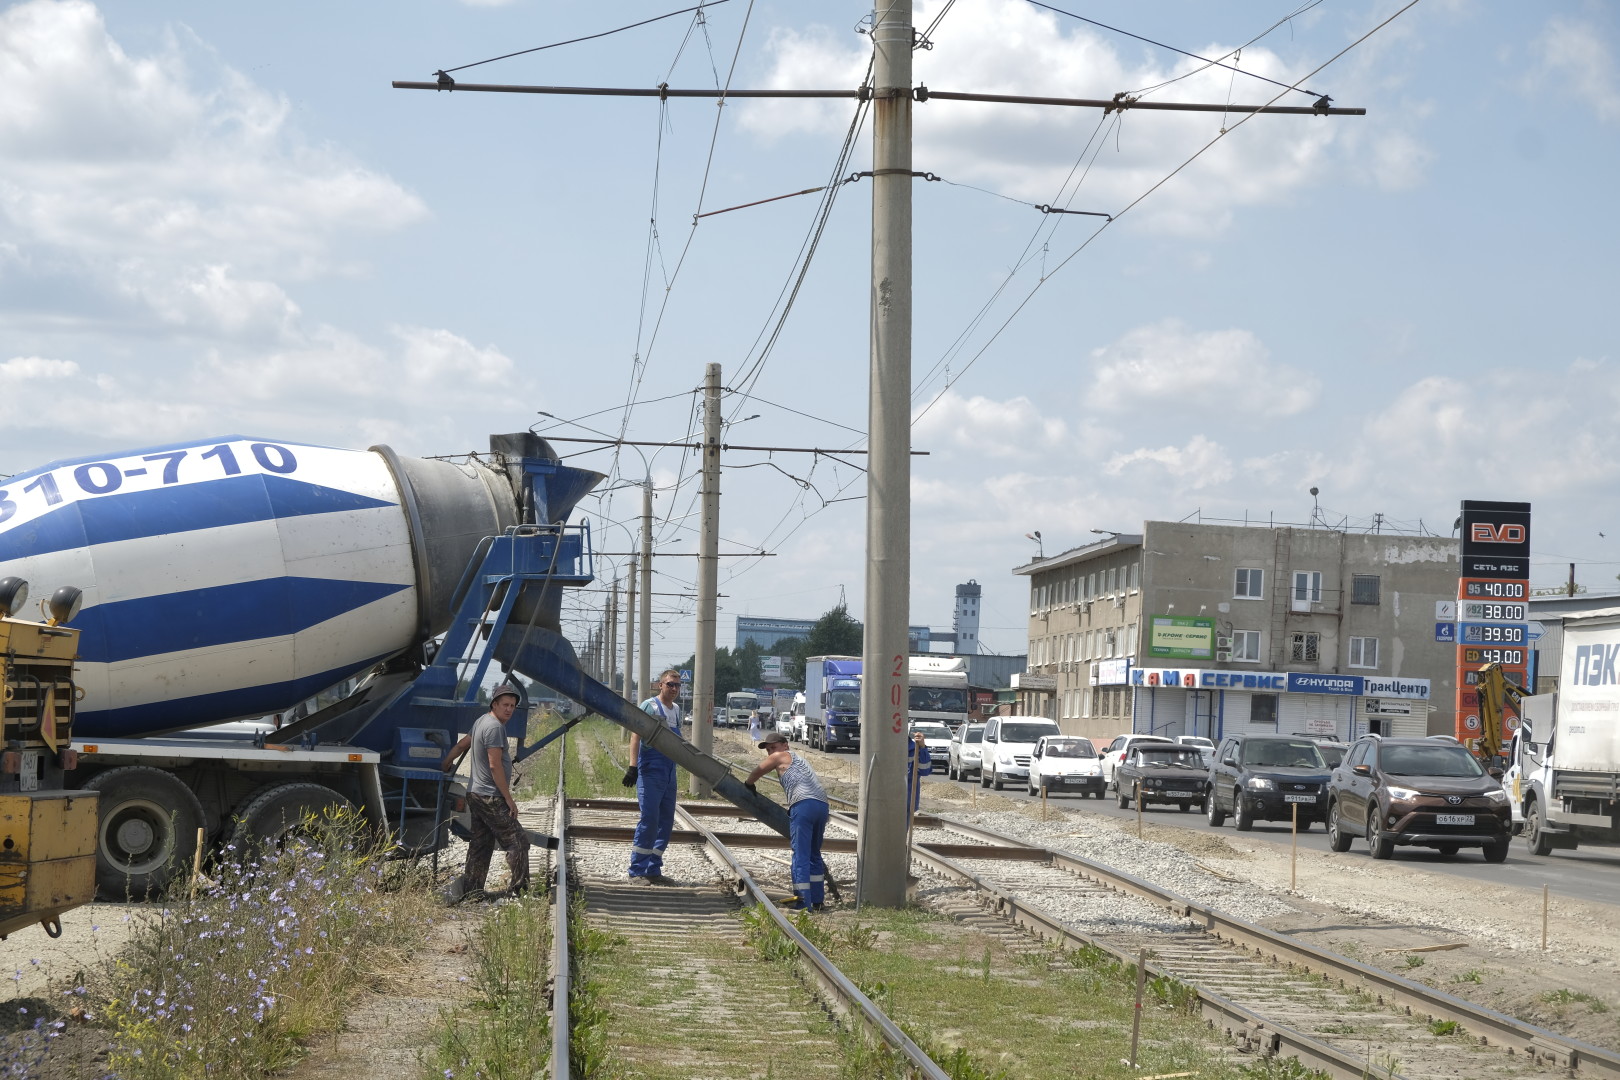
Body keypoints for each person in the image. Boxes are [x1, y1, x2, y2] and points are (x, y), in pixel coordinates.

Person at [441, 683, 530, 901]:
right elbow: (494, 765)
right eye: (505, 705)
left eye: (512, 706)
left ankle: (473, 892)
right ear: (495, 704)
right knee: (518, 842)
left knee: (481, 844)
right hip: (490, 796)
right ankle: (520, 892)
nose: (509, 709)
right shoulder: (495, 727)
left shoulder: (481, 721)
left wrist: (446, 762)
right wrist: (508, 799)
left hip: (475, 794)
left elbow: (462, 745)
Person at [744, 730, 830, 912]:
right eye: (768, 750)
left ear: (785, 745)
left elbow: (758, 770)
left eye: (773, 747)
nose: (771, 753)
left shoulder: (781, 756)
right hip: (822, 805)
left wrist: (749, 784)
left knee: (801, 854)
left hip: (803, 804)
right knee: (814, 853)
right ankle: (817, 900)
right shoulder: (801, 760)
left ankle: (802, 901)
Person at [621, 668, 685, 885]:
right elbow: (636, 737)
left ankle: (653, 869)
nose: (674, 689)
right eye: (670, 684)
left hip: (668, 770)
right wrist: (632, 767)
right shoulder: (649, 706)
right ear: (661, 685)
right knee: (649, 819)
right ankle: (636, 870)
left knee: (665, 821)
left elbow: (678, 741)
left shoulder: (676, 709)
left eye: (677, 685)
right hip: (650, 769)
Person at [906, 731, 932, 815]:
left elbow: (925, 770)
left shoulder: (914, 748)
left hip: (907, 802)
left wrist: (922, 748)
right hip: (884, 801)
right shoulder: (882, 747)